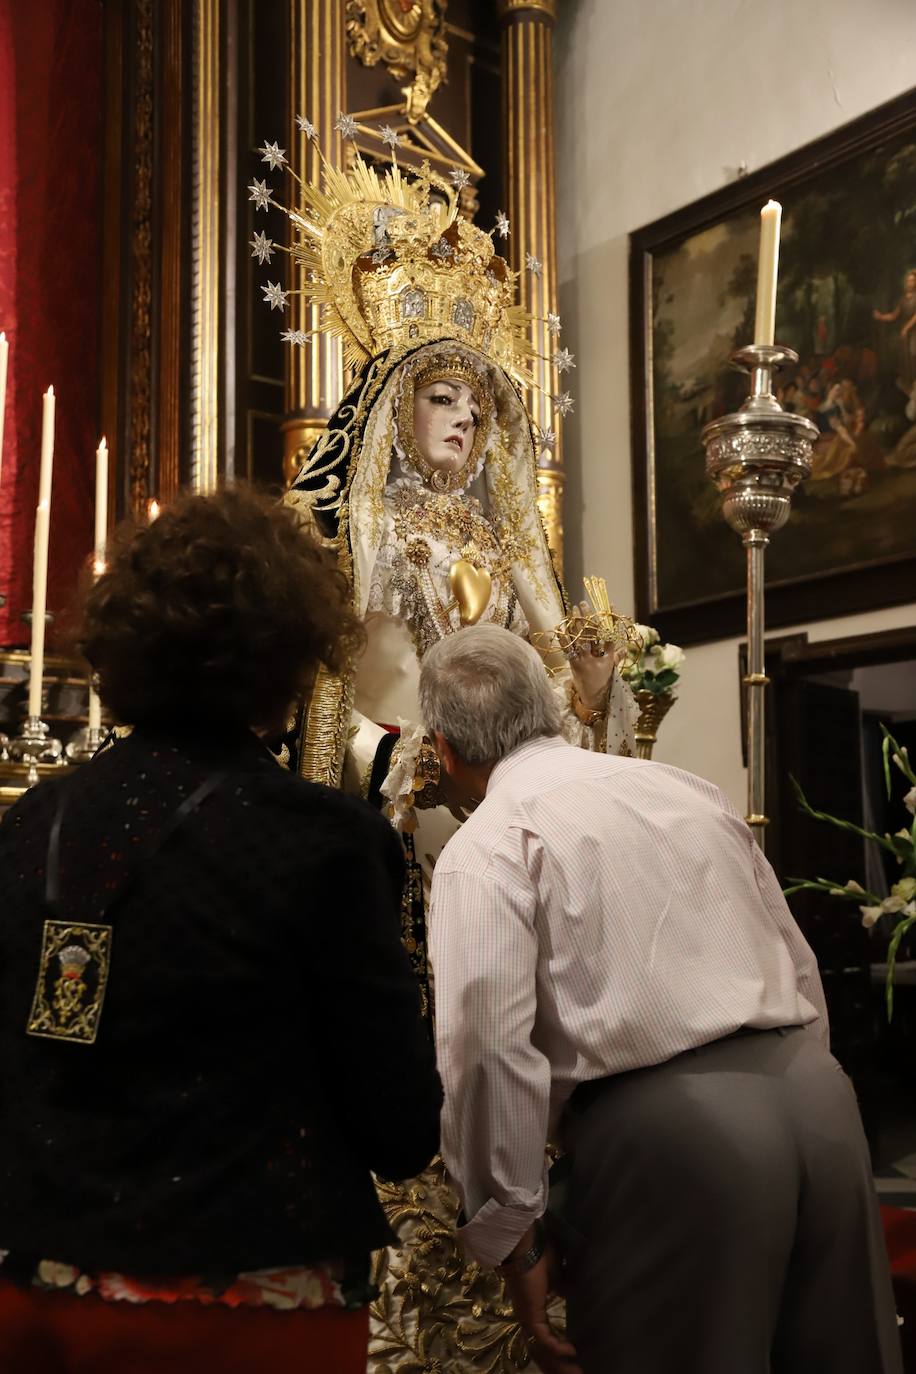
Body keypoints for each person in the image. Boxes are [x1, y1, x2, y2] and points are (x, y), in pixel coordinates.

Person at [267, 139, 636, 1370]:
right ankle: (429, 1285)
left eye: (481, 404)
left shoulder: (504, 536)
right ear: (394, 403)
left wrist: (599, 695)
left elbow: (565, 702)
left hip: (513, 810)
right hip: (422, 824)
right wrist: (406, 767)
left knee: (531, 1032)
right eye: (443, 397)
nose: (467, 419)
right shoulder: (371, 532)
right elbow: (348, 694)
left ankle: (528, 1251)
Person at [0, 486, 442, 1374]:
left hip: (37, 1290)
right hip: (245, 1301)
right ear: (286, 653)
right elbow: (398, 1125)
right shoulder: (323, 839)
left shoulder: (32, 822)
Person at [421, 623, 903, 1374]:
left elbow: (487, 1050)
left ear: (444, 747)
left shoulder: (487, 845)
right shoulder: (682, 789)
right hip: (818, 1101)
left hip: (676, 1142)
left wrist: (512, 1230)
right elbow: (793, 954)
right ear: (549, 712)